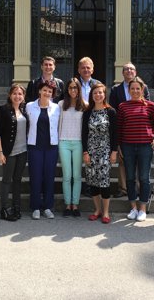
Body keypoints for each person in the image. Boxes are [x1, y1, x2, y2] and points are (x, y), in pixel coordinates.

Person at [117, 77, 154, 222]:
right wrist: (119, 146)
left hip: (145, 146)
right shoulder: (123, 106)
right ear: (129, 90)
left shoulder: (150, 105)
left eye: (138, 88)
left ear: (142, 90)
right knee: (129, 178)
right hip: (127, 146)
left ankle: (142, 209)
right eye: (132, 88)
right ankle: (133, 208)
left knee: (144, 178)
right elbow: (120, 128)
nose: (135, 91)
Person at [109, 62, 150, 198]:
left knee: (139, 162)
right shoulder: (116, 89)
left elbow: (148, 106)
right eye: (126, 69)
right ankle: (123, 188)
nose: (129, 71)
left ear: (135, 71)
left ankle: (139, 189)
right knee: (122, 161)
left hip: (139, 130)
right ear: (122, 73)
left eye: (131, 69)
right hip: (124, 128)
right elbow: (113, 110)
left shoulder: (143, 87)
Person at [82, 83, 118, 224]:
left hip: (105, 151)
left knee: (104, 181)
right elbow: (84, 133)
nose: (98, 95)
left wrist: (114, 152)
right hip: (91, 151)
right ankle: (97, 210)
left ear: (104, 95)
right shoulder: (87, 112)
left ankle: (106, 212)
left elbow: (115, 134)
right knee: (92, 181)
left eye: (100, 93)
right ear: (92, 95)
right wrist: (85, 152)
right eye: (95, 93)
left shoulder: (111, 112)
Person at [26, 80, 60, 220]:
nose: (47, 93)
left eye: (50, 91)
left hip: (51, 147)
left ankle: (47, 207)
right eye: (44, 90)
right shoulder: (29, 106)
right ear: (39, 91)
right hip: (35, 146)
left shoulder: (57, 108)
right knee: (35, 176)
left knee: (49, 177)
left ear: (52, 94)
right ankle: (35, 207)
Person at [0, 84, 28, 221]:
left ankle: (16, 207)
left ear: (23, 96)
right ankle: (4, 209)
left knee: (18, 180)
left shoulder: (24, 110)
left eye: (20, 94)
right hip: (9, 152)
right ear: (10, 95)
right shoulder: (3, 110)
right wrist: (0, 152)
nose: (17, 96)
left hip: (23, 151)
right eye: (15, 93)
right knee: (7, 180)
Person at [58, 78, 87, 217]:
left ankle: (75, 205)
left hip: (78, 143)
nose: (73, 90)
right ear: (67, 90)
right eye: (70, 88)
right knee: (67, 176)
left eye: (75, 88)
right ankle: (67, 205)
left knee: (77, 175)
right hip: (63, 142)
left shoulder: (85, 105)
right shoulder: (61, 104)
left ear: (79, 89)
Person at [77, 56, 100, 197]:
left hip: (93, 123)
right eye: (83, 67)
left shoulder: (98, 84)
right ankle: (79, 185)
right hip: (76, 122)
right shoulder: (74, 84)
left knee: (91, 154)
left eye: (88, 67)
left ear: (92, 69)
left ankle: (91, 184)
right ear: (79, 70)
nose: (86, 70)